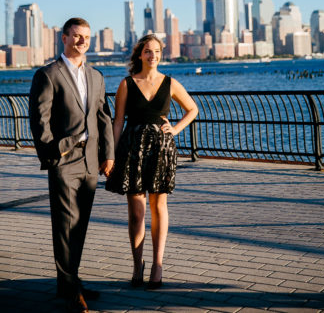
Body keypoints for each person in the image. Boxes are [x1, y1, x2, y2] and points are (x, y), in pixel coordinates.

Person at [29, 17, 115, 313]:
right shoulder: (48, 74)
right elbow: (40, 121)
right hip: (65, 160)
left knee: (79, 226)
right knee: (64, 225)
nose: (82, 41)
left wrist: (109, 155)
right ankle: (70, 291)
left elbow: (104, 118)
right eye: (77, 36)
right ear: (63, 38)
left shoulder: (96, 76)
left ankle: (71, 281)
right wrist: (54, 154)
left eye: (87, 37)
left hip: (91, 159)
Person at [106, 34, 198, 289]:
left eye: (156, 51)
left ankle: (157, 265)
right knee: (136, 214)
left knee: (159, 208)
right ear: (139, 55)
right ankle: (137, 265)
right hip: (132, 149)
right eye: (148, 51)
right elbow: (118, 121)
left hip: (161, 149)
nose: (153, 56)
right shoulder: (126, 84)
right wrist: (111, 154)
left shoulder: (170, 83)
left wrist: (175, 130)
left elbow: (193, 109)